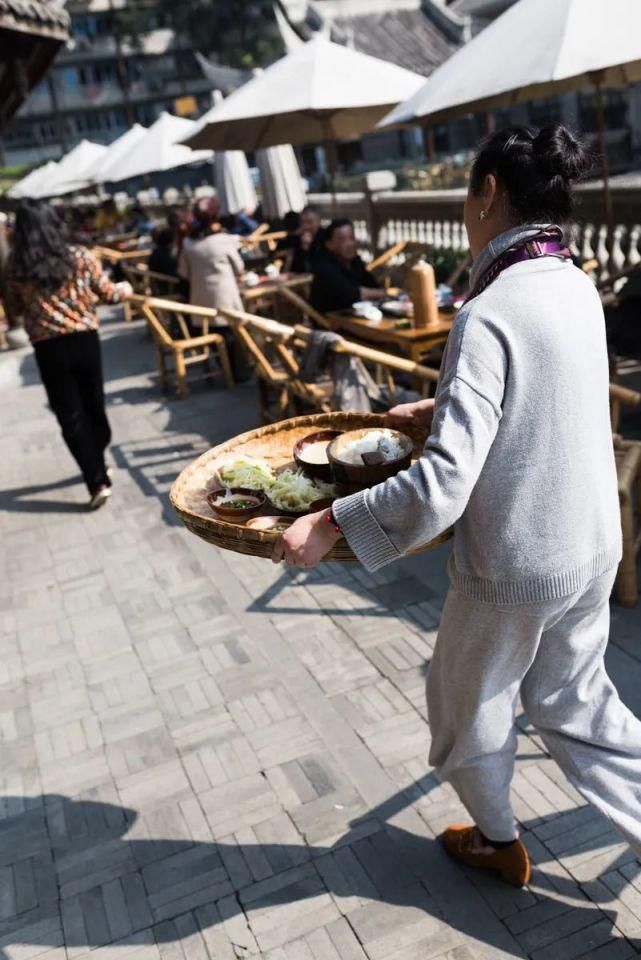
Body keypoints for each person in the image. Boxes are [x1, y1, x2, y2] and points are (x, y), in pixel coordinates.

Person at [273, 124, 641, 888]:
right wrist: (439, 408)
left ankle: (497, 839)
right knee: (577, 706)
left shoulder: (487, 311)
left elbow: (442, 487)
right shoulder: (574, 284)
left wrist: (328, 522)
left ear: (486, 193)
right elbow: (545, 409)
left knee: (465, 711)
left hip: (517, 563)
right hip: (592, 542)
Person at [5, 200, 132, 509]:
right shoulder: (80, 257)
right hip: (85, 340)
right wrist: (125, 289)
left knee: (70, 415)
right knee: (94, 406)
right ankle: (98, 461)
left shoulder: (16, 269)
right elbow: (108, 294)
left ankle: (95, 479)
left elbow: (15, 312)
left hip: (48, 347)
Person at [178, 197, 247, 378]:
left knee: (218, 336)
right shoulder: (223, 240)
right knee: (232, 335)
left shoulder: (188, 244)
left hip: (200, 304)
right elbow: (239, 268)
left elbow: (184, 273)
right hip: (225, 301)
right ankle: (238, 373)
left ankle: (224, 369)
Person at [310, 218, 385, 313]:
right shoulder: (325, 266)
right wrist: (383, 293)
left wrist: (381, 293)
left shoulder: (355, 261)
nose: (350, 244)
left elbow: (372, 283)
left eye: (352, 238)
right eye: (343, 240)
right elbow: (352, 294)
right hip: (330, 322)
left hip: (354, 315)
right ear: (329, 245)